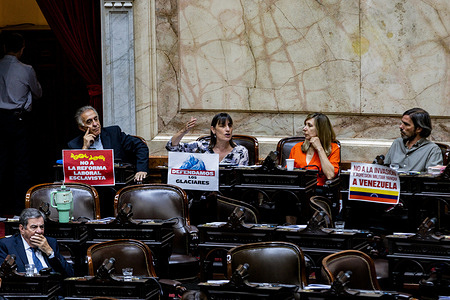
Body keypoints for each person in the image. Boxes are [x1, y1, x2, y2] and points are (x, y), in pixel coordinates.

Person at [0, 32, 42, 216]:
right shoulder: (26, 69)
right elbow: (38, 92)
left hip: (0, 120)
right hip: (17, 120)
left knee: (0, 163)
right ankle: (19, 209)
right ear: (22, 49)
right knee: (21, 165)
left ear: (4, 47)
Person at [67, 105, 149, 182]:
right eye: (89, 122)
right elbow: (75, 174)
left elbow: (141, 146)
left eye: (96, 119)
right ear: (82, 128)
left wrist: (141, 170)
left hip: (116, 183)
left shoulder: (114, 133)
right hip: (91, 186)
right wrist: (85, 148)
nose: (95, 124)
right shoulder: (74, 144)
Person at [286, 113, 340, 224]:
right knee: (287, 195)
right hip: (297, 190)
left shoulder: (334, 148)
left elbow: (330, 175)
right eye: (305, 125)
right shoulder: (297, 148)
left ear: (320, 129)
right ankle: (289, 231)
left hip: (319, 189)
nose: (304, 129)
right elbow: (288, 173)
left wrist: (319, 148)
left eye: (309, 125)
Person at [0, 208, 74, 277]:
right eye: (34, 227)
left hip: (51, 288)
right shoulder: (7, 245)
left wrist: (50, 253)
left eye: (41, 227)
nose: (39, 231)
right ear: (22, 229)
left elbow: (69, 274)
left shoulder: (51, 243)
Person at [166, 112, 249, 166]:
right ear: (213, 130)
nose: (228, 129)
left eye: (230, 126)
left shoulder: (241, 151)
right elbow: (172, 147)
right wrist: (183, 131)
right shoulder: (201, 147)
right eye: (222, 126)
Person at [384, 108, 443, 172]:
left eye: (406, 124)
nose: (401, 127)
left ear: (419, 129)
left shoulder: (432, 149)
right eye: (402, 123)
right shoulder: (397, 143)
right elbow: (384, 168)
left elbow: (432, 177)